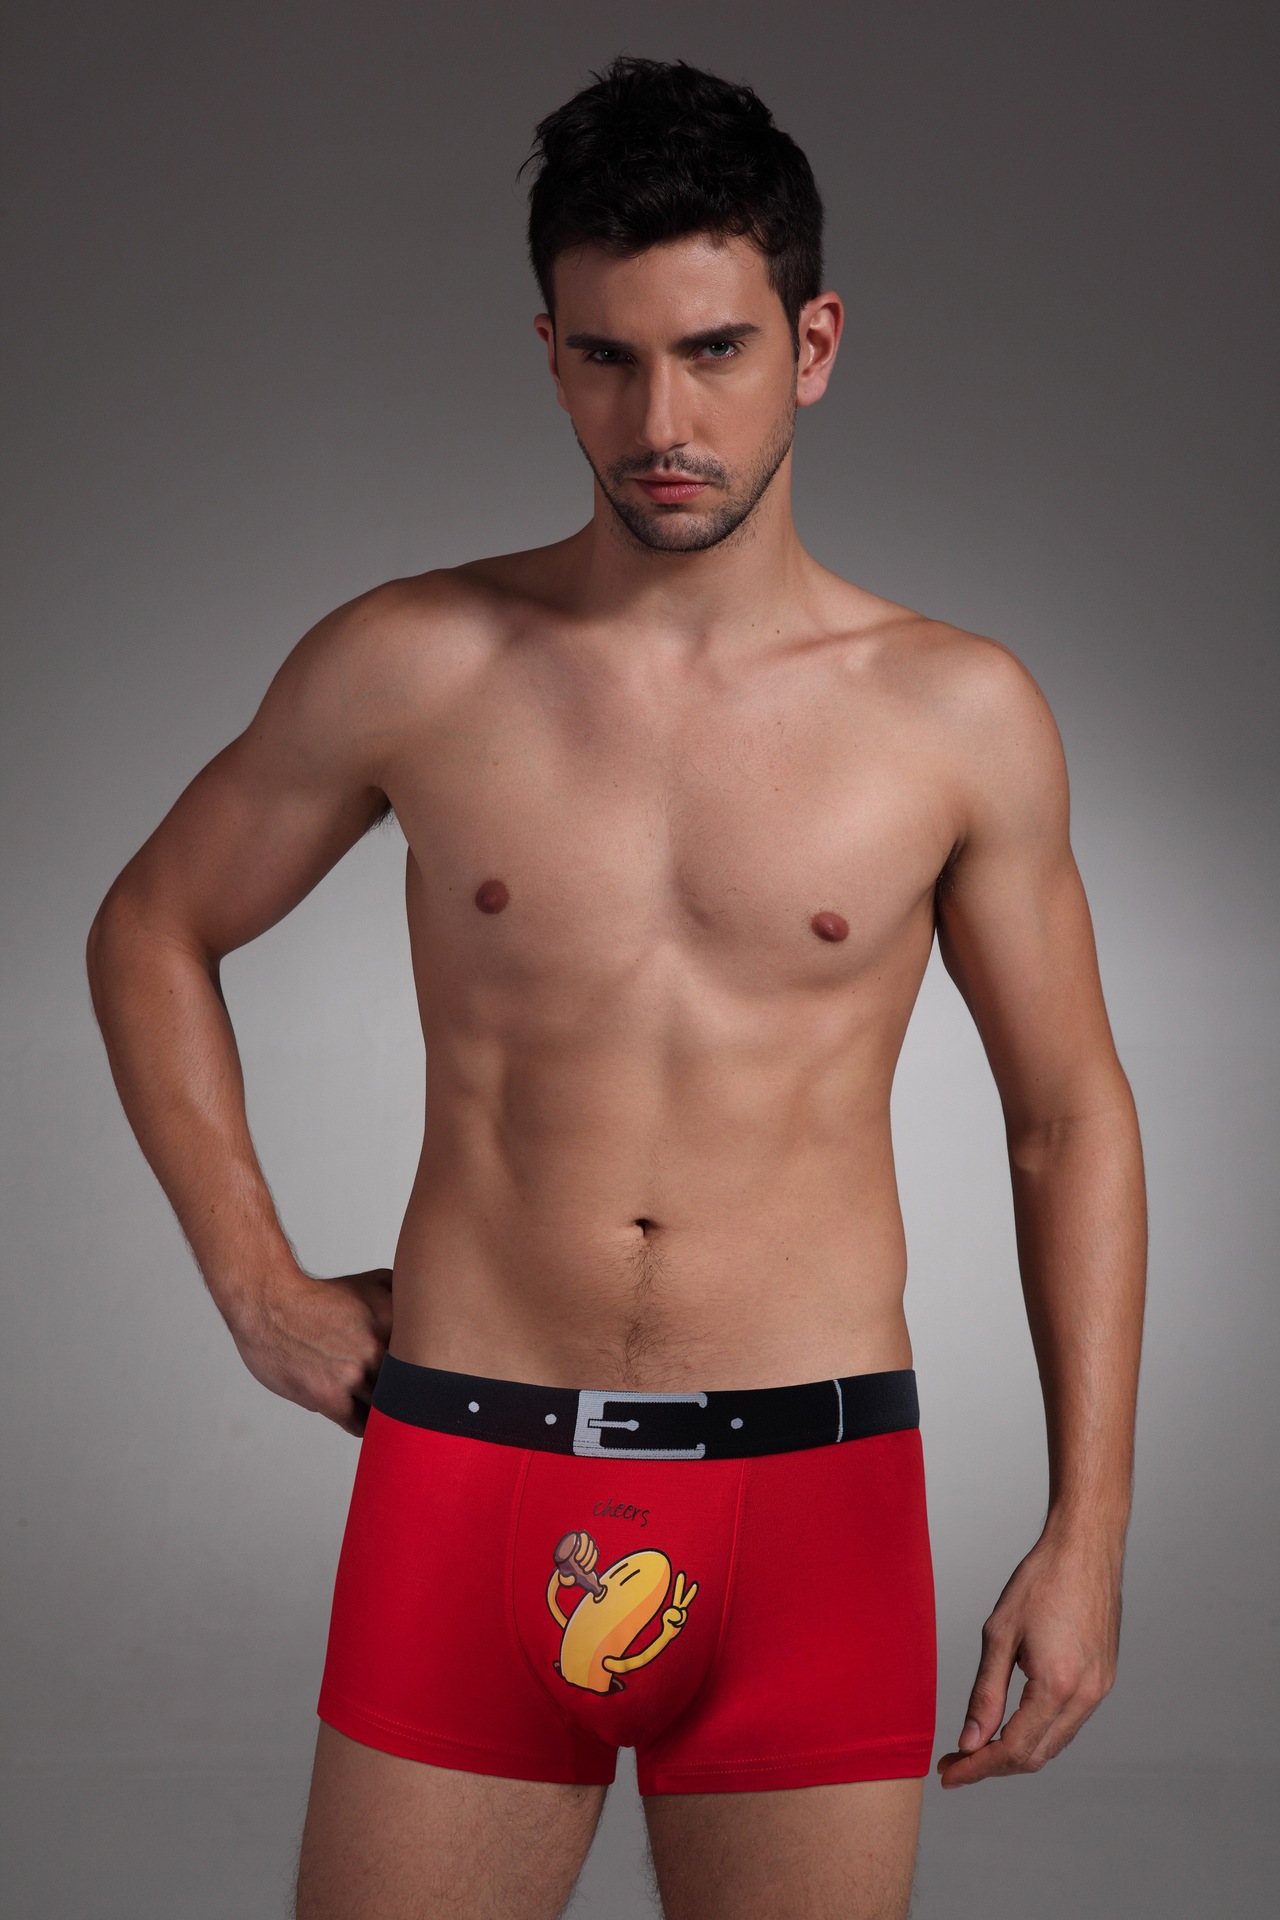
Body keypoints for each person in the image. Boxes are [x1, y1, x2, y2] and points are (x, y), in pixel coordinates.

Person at [86, 55, 1146, 1920]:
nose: (662, 419)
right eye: (608, 358)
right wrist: (254, 1285)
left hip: (815, 1493)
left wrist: (1089, 1532)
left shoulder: (957, 716)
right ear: (553, 355)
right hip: (467, 1466)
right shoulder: (412, 661)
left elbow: (1067, 1120)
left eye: (715, 351)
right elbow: (150, 927)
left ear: (813, 344)